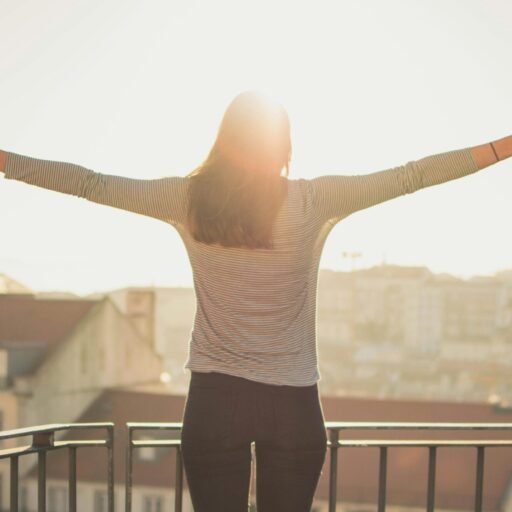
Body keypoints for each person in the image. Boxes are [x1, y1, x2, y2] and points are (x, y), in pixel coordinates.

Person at [0, 91, 510, 511]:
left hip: (216, 402)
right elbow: (412, 174)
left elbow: (91, 184)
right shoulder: (313, 200)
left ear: (224, 140)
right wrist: (501, 147)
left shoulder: (188, 198)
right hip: (292, 407)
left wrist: (7, 162)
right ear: (283, 144)